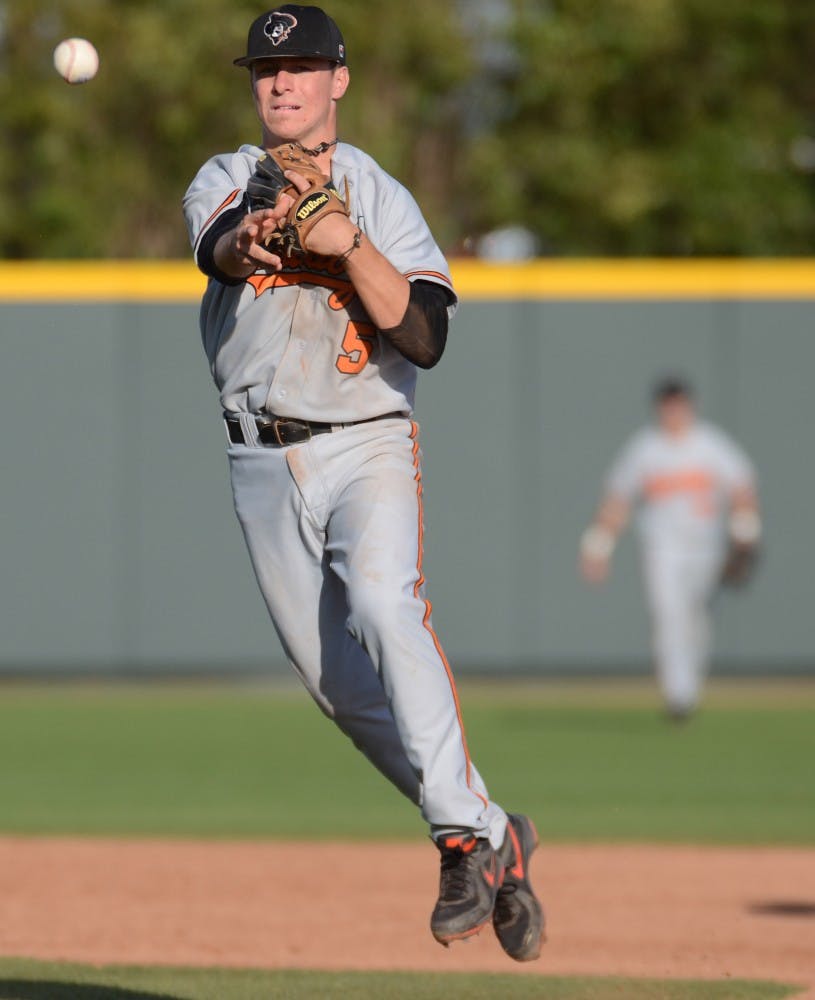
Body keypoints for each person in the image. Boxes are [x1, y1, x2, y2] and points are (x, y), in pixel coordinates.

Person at [182, 5, 543, 959]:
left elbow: (423, 335)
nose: (282, 83)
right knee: (342, 693)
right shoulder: (225, 176)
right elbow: (220, 246)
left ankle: (459, 840)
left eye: (302, 66)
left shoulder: (381, 197)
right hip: (258, 457)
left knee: (386, 607)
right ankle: (497, 830)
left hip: (363, 440)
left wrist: (344, 242)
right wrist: (263, 232)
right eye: (267, 70)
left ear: (338, 78)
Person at [579, 376, 761, 720]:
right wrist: (598, 547)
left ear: (690, 406)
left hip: (708, 548)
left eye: (679, 405)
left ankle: (688, 688)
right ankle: (678, 696)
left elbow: (742, 489)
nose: (674, 412)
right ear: (659, 408)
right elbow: (618, 502)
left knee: (696, 620)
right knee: (667, 617)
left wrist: (746, 533)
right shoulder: (646, 448)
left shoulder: (710, 445)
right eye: (668, 406)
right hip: (663, 548)